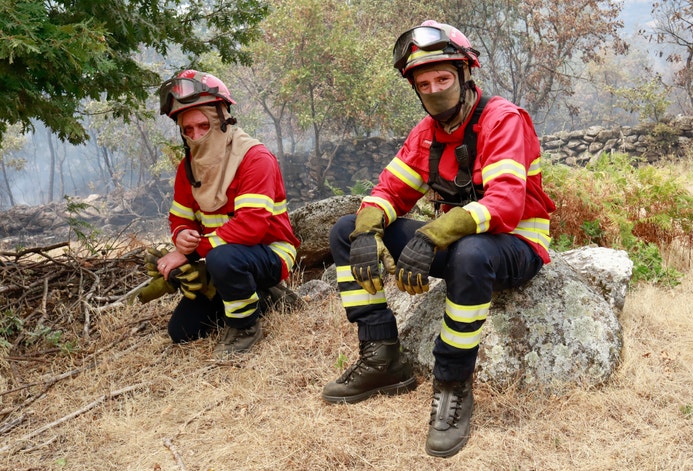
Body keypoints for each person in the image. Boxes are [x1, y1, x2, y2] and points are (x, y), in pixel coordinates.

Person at [321, 21, 556, 458]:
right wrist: (368, 228)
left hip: (515, 246)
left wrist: (433, 235)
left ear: (465, 74)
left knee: (470, 252)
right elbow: (389, 191)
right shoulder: (425, 134)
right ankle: (382, 358)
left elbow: (505, 205)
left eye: (443, 78)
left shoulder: (503, 119)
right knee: (345, 231)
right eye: (424, 84)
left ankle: (452, 384)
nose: (434, 90)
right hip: (458, 244)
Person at [138, 69, 300, 360]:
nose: (196, 136)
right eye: (188, 129)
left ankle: (245, 328)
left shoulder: (255, 158)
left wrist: (192, 252)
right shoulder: (188, 168)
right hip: (221, 257)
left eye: (203, 125)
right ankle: (264, 298)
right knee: (182, 331)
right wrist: (181, 237)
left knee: (222, 259)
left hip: (270, 252)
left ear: (223, 119)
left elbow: (251, 227)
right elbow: (180, 217)